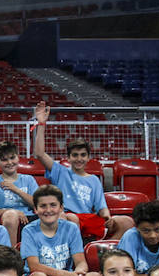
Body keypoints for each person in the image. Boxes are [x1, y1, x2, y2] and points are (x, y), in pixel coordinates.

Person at [32, 101, 133, 241]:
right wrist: (41, 124)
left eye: (83, 155)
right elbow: (40, 154)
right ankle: (75, 254)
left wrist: (107, 217)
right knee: (70, 218)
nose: (79, 159)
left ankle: (106, 251)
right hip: (68, 217)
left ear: (88, 157)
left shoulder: (94, 180)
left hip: (88, 218)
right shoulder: (61, 172)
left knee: (126, 222)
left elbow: (101, 207)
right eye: (75, 155)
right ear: (68, 157)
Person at [21, 184, 101, 276]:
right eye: (43, 206)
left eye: (53, 205)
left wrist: (78, 274)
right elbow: (34, 266)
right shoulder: (29, 230)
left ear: (61, 208)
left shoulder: (71, 228)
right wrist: (64, 274)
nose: (48, 210)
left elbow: (81, 262)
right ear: (35, 210)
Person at [0, 141, 39, 248]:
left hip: (30, 218)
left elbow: (38, 204)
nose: (9, 162)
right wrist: (12, 211)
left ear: (18, 158)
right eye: (4, 160)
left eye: (12, 157)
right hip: (5, 218)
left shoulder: (29, 180)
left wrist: (16, 190)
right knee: (11, 216)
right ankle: (10, 256)